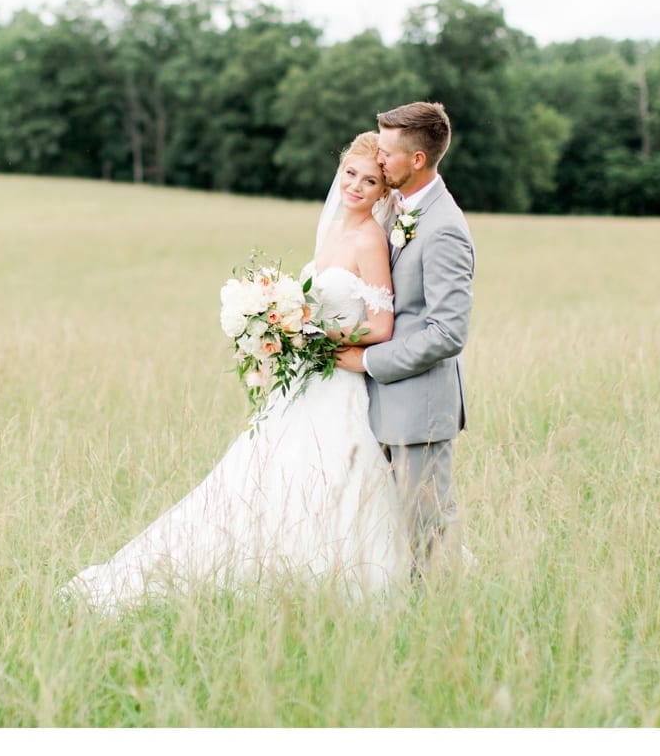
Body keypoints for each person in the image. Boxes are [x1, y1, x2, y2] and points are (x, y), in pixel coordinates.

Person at [61, 132, 410, 612]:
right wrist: (286, 321)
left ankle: (326, 577)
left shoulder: (370, 238)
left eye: (370, 181)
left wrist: (317, 336)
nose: (355, 186)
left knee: (327, 477)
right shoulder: (332, 229)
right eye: (350, 173)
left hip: (339, 380)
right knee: (263, 475)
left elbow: (382, 325)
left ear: (382, 191)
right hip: (308, 380)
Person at [335, 102, 475, 583]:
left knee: (427, 537)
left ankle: (442, 626)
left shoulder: (444, 229)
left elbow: (447, 332)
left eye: (388, 153)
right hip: (378, 406)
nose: (379, 160)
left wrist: (368, 359)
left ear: (417, 160)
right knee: (385, 534)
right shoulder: (398, 205)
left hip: (419, 412)